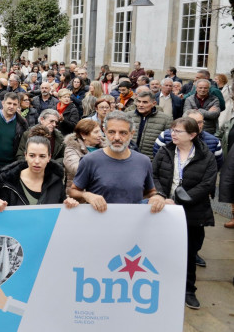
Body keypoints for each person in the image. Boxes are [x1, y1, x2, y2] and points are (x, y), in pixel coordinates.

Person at [152, 117, 217, 310]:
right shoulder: (165, 151)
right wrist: (161, 195)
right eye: (172, 130)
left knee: (188, 253)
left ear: (192, 135)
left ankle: (188, 291)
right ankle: (161, 286)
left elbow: (207, 184)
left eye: (177, 131)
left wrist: (179, 200)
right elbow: (153, 175)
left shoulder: (207, 156)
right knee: (161, 251)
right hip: (163, 209)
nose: (172, 134)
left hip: (193, 213)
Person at [70, 111, 166, 212]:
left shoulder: (144, 161)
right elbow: (73, 191)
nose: (116, 137)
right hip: (99, 222)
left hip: (134, 223)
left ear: (131, 134)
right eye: (111, 132)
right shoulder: (89, 160)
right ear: (105, 131)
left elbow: (149, 192)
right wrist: (87, 195)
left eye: (123, 133)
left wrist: (157, 197)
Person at [0, 136, 79, 209]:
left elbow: (60, 208)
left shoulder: (56, 181)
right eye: (32, 155)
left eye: (42, 156)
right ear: (25, 156)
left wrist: (68, 204)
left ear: (49, 157)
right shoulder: (8, 181)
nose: (37, 161)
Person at [63, 119, 106, 189]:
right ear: (83, 134)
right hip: (80, 193)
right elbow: (77, 168)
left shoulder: (106, 147)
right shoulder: (72, 149)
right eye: (96, 132)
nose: (100, 135)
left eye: (100, 131)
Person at [131, 90, 172, 159]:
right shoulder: (127, 116)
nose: (140, 105)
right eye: (139, 101)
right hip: (129, 158)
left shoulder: (166, 119)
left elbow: (169, 144)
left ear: (154, 103)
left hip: (152, 161)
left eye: (145, 102)